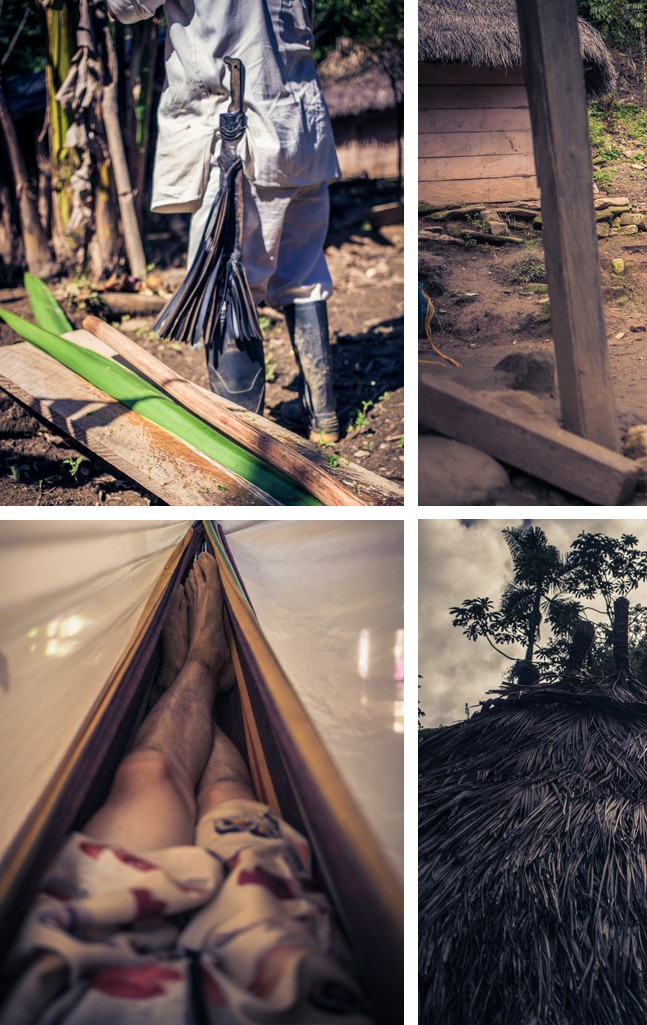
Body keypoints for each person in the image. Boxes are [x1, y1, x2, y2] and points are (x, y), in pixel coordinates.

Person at [0, 553, 372, 1025]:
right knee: (223, 795)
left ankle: (184, 673)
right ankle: (201, 665)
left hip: (79, 987)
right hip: (277, 985)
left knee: (149, 772)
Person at [105, 0, 343, 444]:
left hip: (242, 135)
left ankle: (243, 440)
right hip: (302, 128)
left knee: (228, 284)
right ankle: (324, 422)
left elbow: (125, 7)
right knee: (304, 277)